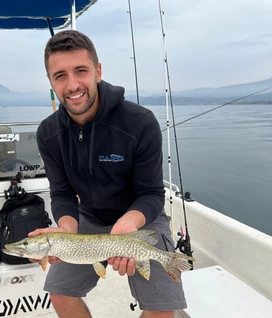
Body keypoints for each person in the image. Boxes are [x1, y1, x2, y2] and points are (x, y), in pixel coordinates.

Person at [30, 30, 187, 318]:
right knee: (60, 295)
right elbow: (62, 193)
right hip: (87, 218)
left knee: (163, 311)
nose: (73, 84)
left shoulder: (140, 122)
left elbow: (152, 194)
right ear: (51, 82)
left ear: (98, 71)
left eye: (81, 71)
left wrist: (129, 224)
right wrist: (66, 232)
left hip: (139, 217)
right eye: (60, 75)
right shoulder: (48, 133)